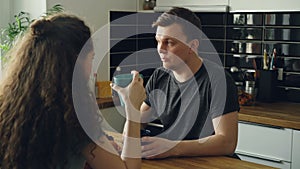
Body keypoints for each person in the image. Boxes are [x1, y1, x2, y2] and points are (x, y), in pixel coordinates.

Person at [0, 13, 145, 169]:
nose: (91, 67)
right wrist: (133, 109)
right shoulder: (71, 118)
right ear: (76, 61)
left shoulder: (8, 109)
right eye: (91, 58)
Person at [140, 7, 240, 159]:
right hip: (175, 162)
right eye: (158, 41)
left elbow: (227, 143)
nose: (160, 49)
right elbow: (139, 121)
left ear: (193, 46)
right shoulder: (159, 77)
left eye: (169, 43)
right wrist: (129, 102)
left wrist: (173, 147)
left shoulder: (218, 80)